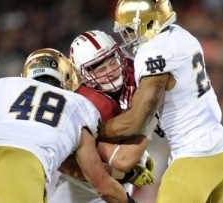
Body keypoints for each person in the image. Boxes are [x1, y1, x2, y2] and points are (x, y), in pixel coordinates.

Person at [99, 0, 223, 203]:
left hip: (197, 153)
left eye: (129, 29)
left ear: (148, 24)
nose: (127, 37)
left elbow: (135, 121)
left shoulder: (153, 51)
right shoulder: (180, 35)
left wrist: (92, 130)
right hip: (220, 149)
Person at [0, 48, 136, 203]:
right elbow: (99, 183)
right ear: (68, 79)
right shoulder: (79, 106)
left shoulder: (11, 85)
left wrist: (3, 112)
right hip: (19, 168)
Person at [49, 30, 156, 203]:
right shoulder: (85, 102)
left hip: (117, 180)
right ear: (82, 75)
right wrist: (125, 172)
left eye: (112, 61)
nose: (111, 71)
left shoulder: (134, 69)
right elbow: (120, 160)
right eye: (100, 68)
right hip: (81, 184)